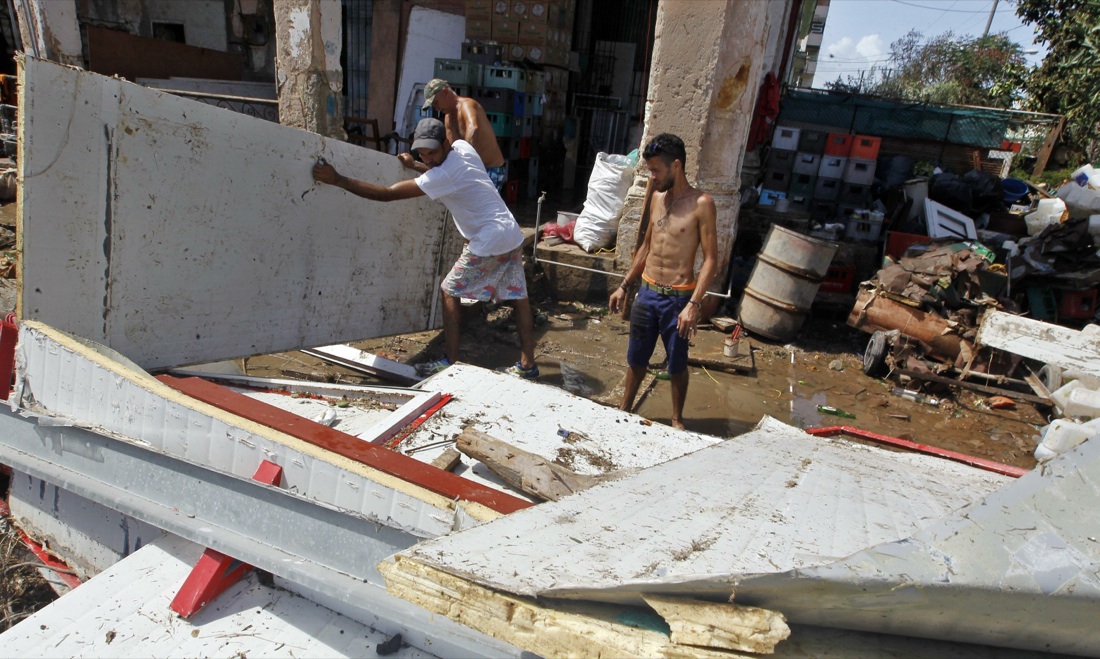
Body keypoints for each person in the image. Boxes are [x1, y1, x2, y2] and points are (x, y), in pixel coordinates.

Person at [312, 117, 538, 379]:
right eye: (422, 153)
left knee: (449, 290)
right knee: (519, 299)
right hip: (510, 232)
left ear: (445, 143)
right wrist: (417, 165)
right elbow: (440, 174)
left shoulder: (443, 174)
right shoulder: (463, 149)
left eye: (432, 152)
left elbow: (387, 194)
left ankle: (449, 361)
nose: (428, 158)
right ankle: (528, 366)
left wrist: (338, 179)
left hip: (489, 239)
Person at [608, 133, 718, 430]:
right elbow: (646, 246)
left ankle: (676, 418)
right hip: (647, 293)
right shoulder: (656, 198)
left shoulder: (701, 204)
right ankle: (625, 407)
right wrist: (624, 284)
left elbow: (711, 259)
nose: (652, 176)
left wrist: (694, 304)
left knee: (677, 363)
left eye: (656, 170)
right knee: (636, 358)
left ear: (676, 167)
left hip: (679, 299)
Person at [418, 78, 508, 191]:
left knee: (479, 206)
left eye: (436, 102)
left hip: (490, 169)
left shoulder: (467, 105)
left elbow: (473, 128)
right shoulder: (448, 119)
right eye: (434, 106)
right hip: (470, 170)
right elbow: (450, 149)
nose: (437, 108)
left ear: (445, 92)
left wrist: (462, 160)